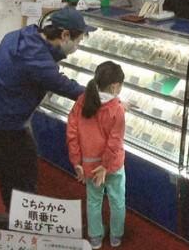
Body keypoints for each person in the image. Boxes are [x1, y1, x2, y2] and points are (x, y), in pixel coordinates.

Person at [0, 6, 95, 209]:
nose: (78, 45)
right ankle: (23, 222)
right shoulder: (39, 62)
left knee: (7, 170)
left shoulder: (21, 35)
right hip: (6, 126)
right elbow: (67, 87)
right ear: (65, 35)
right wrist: (106, 98)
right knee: (23, 176)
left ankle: (13, 211)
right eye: (79, 40)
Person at [66, 61, 126, 249]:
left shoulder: (83, 100)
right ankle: (116, 236)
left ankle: (95, 238)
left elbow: (72, 132)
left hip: (89, 165)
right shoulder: (117, 109)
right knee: (117, 201)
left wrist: (76, 161)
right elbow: (114, 141)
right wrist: (106, 166)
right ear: (115, 86)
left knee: (93, 201)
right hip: (113, 165)